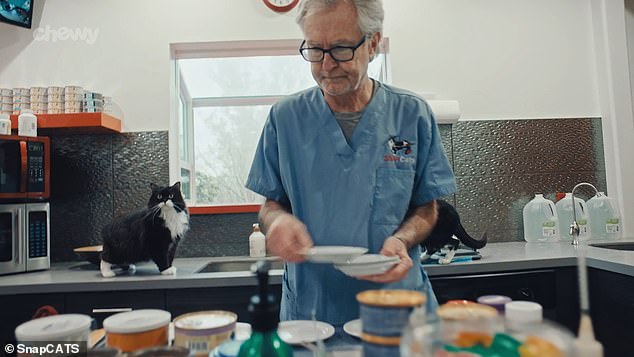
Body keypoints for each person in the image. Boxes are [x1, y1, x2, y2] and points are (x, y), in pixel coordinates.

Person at [245, 0, 456, 326]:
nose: (326, 65)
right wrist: (278, 222)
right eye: (315, 49)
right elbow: (271, 205)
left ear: (373, 43)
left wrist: (401, 239)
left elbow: (427, 209)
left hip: (396, 307)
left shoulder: (412, 115)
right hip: (313, 314)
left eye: (341, 48)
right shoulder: (285, 119)